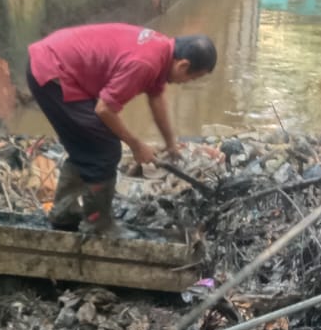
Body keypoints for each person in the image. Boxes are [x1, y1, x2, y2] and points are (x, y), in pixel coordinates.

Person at [25, 23, 216, 234]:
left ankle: (63, 214)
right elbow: (104, 109)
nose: (187, 82)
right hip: (52, 73)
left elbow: (156, 97)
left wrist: (171, 143)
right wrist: (136, 145)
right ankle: (98, 225)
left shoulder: (161, 50)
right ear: (182, 66)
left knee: (86, 147)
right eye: (192, 78)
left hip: (53, 63)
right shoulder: (145, 63)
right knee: (105, 150)